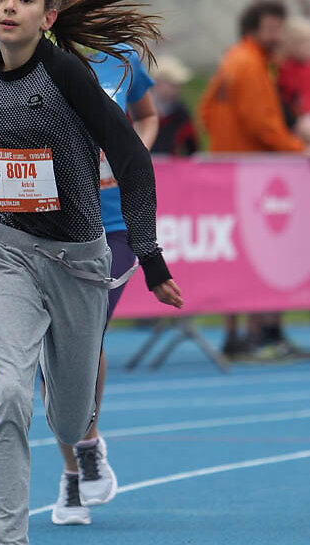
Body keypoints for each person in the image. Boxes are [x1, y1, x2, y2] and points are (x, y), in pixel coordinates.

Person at [0, 2, 183, 544]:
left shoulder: (68, 75)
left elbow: (132, 159)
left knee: (72, 420)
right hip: (12, 255)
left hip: (78, 260)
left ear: (48, 17)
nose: (10, 5)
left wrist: (149, 256)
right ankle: (8, 537)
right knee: (9, 395)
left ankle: (81, 435)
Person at [43, 43, 159, 526]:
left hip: (111, 224)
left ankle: (82, 454)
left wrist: (132, 152)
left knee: (84, 339)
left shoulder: (123, 58)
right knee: (53, 348)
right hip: (48, 222)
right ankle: (77, 465)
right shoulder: (31, 57)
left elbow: (147, 116)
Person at [199, 0, 306, 359]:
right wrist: (298, 149)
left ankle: (237, 336)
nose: (278, 36)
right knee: (259, 253)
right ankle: (258, 336)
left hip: (231, 169)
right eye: (272, 29)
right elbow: (263, 124)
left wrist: (223, 144)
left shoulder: (236, 60)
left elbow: (207, 110)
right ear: (253, 29)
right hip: (252, 173)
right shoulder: (250, 64)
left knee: (237, 256)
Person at [150, 55, 198, 156]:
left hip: (170, 163)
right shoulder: (137, 109)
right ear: (158, 83)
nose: (177, 90)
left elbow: (191, 145)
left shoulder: (180, 113)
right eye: (173, 85)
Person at [278, 17, 310, 142]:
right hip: (295, 119)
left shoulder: (307, 67)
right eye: (303, 43)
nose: (307, 47)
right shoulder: (283, 68)